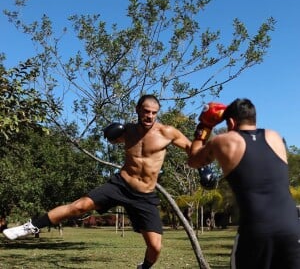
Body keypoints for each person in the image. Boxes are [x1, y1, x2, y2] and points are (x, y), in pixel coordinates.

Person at [3, 94, 191, 269]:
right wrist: (109, 135)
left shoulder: (167, 133)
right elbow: (111, 139)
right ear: (138, 110)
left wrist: (204, 167)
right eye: (146, 111)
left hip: (145, 195)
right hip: (121, 184)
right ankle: (30, 226)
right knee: (79, 206)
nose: (149, 116)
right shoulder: (128, 130)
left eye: (154, 113)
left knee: (155, 247)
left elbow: (191, 148)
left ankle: (143, 268)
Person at [188, 98, 300, 269]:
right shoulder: (275, 137)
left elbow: (194, 160)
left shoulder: (224, 141)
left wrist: (204, 126)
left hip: (256, 230)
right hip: (292, 228)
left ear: (231, 122)